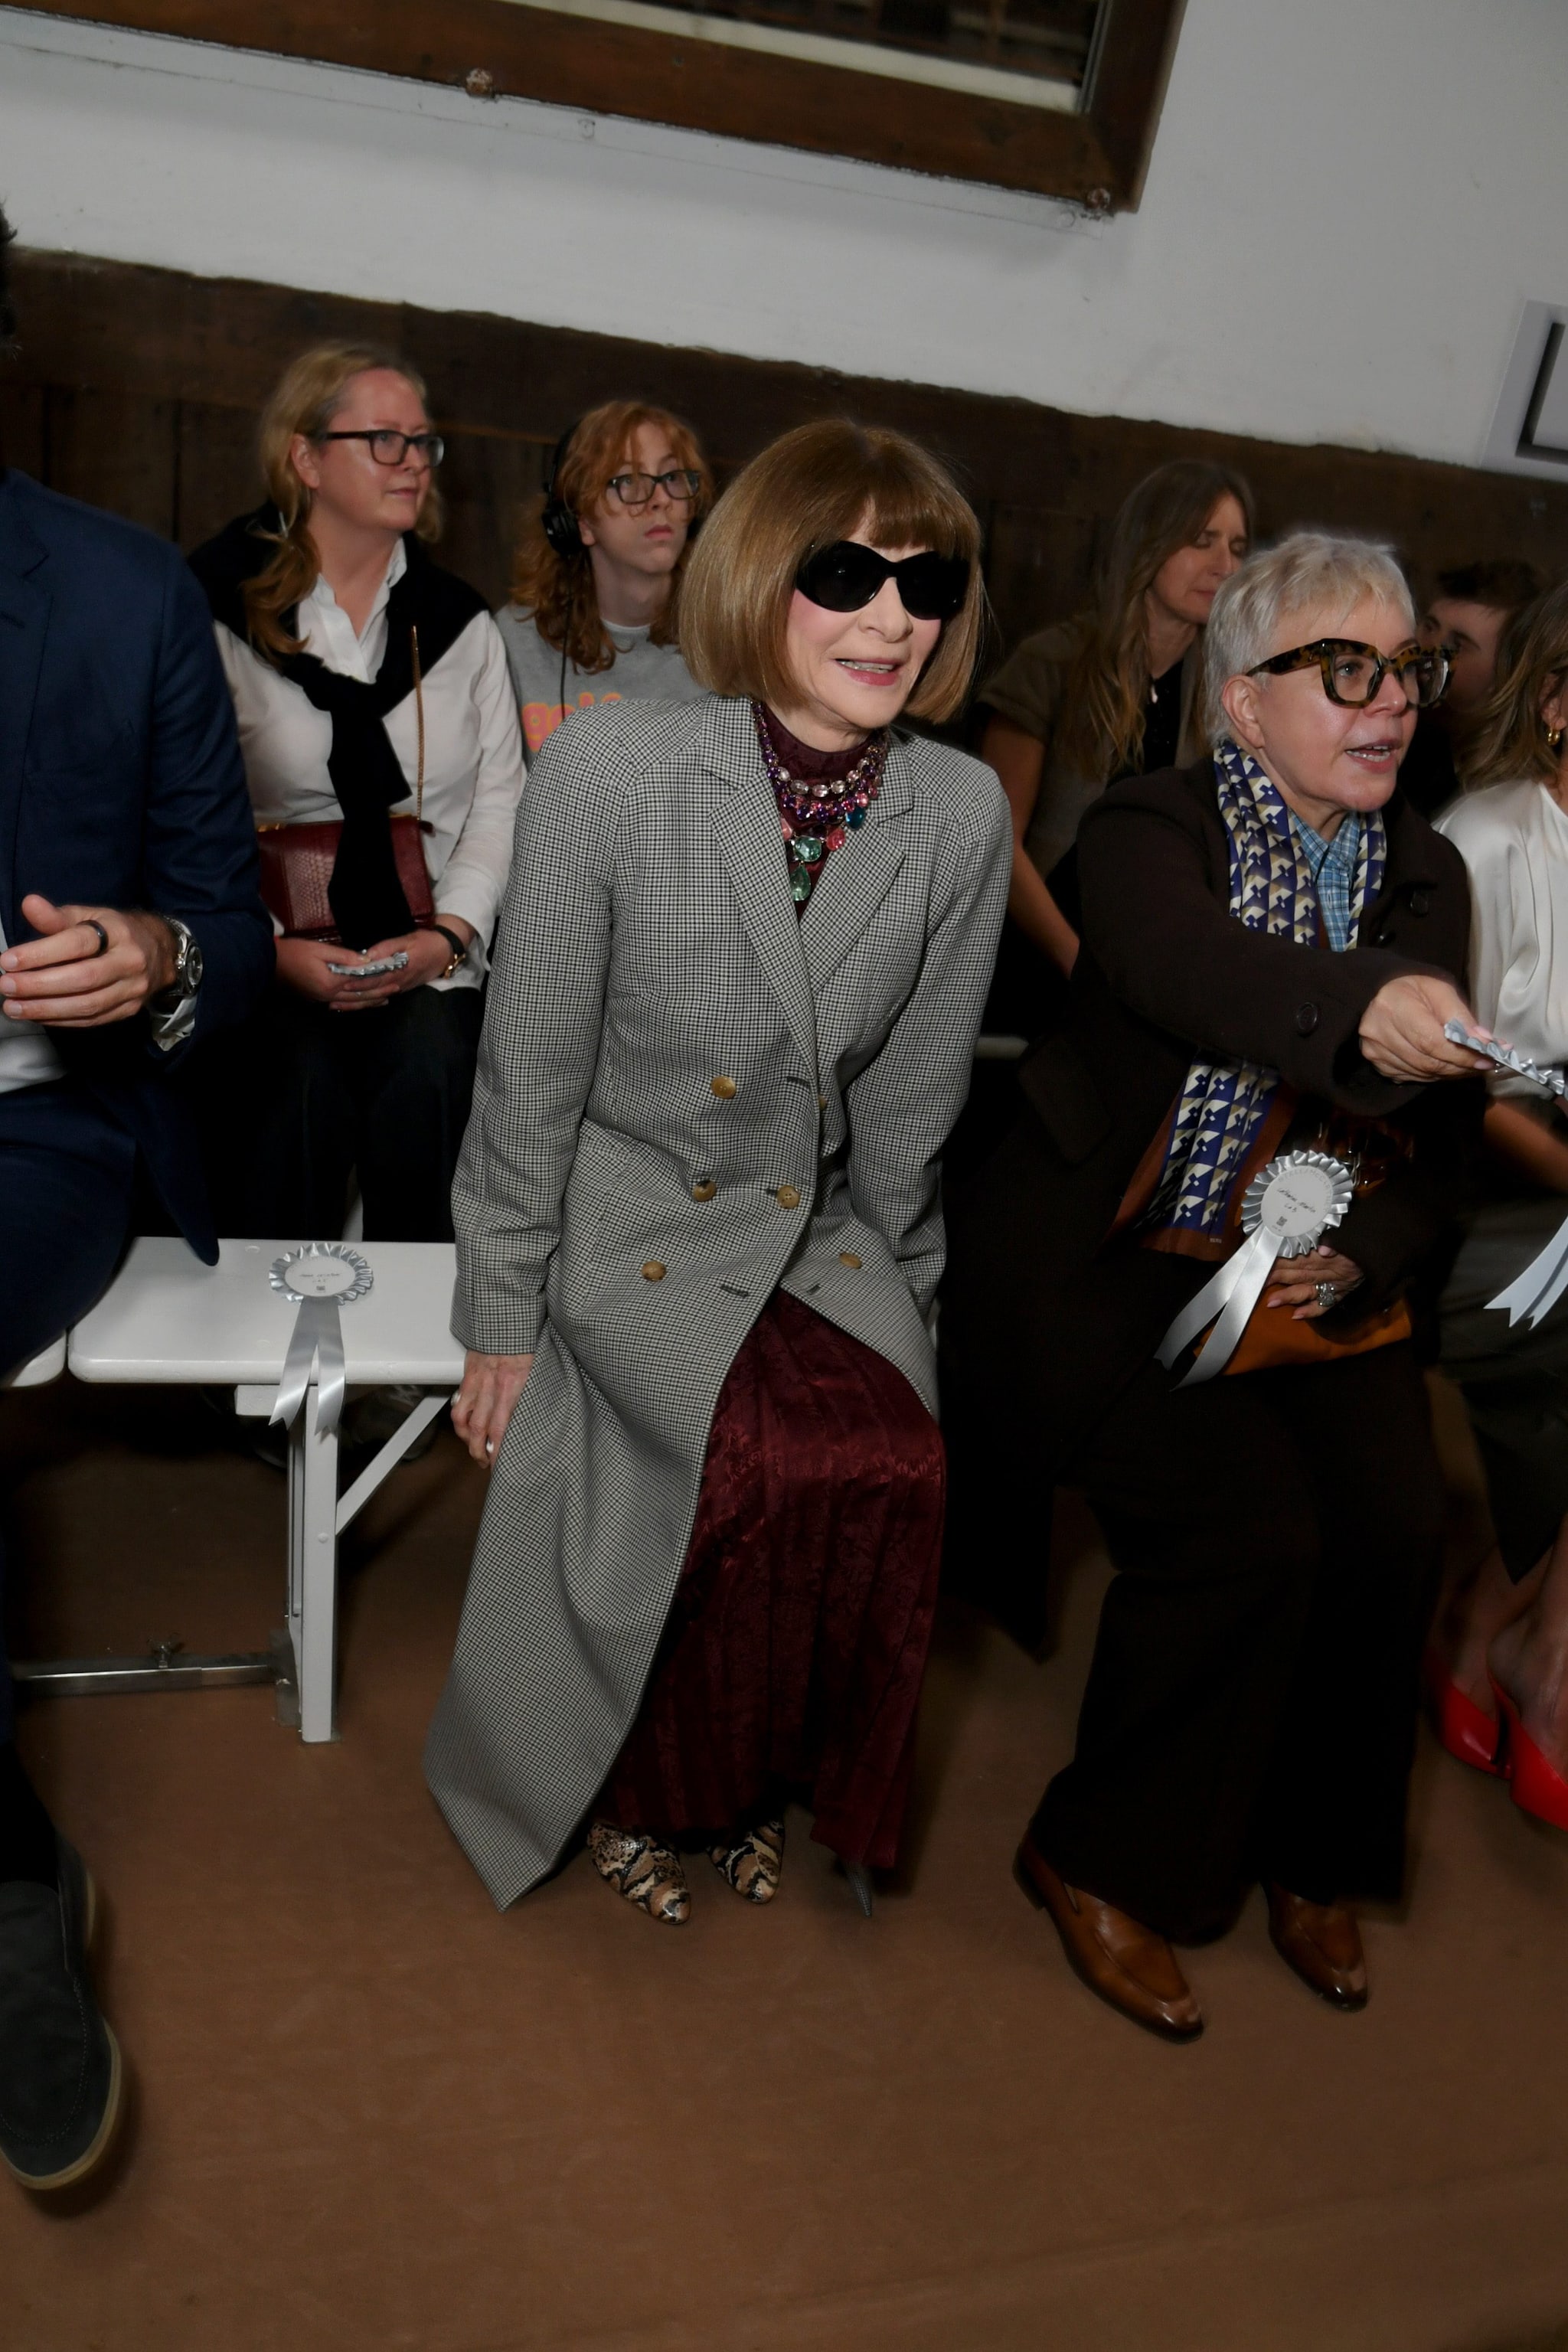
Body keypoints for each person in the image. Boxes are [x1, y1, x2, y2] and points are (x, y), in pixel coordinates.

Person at [424, 418, 1010, 1923]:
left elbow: (912, 1108)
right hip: (627, 1212)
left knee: (891, 1462)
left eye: (927, 583)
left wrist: (905, 1317)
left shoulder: (958, 813)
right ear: (757, 572)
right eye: (846, 574)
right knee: (734, 1459)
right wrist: (499, 1318)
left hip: (807, 1224)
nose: (892, 616)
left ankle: (748, 1775)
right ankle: (647, 1790)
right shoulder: (613, 766)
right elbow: (530, 1072)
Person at [939, 533, 1488, 2039]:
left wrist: (1366, 1249)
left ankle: (1310, 1852)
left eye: (1407, 669)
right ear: (1243, 701)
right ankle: (1094, 1853)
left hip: (1316, 1268)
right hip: (1107, 1256)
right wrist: (1370, 1005)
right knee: (1249, 1537)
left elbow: (1437, 1134)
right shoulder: (1147, 826)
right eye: (1346, 670)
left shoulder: (1425, 867)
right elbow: (1185, 967)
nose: (1392, 702)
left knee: (1392, 1530)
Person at [0, 206, 273, 2189]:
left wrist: (155, 956)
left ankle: (11, 1901)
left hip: (35, 1131)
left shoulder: (117, 592)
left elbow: (227, 934)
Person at [189, 342, 525, 1246]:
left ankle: (427, 1330)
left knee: (433, 1066)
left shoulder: (457, 624)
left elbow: (498, 800)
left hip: (427, 947)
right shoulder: (212, 607)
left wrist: (447, 937)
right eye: (384, 440)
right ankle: (267, 1333)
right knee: (289, 1081)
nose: (413, 461)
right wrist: (266, 953)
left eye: (423, 442)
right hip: (267, 950)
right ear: (305, 458)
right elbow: (184, 810)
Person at [1425, 580, 1568, 1828]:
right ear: (1557, 704)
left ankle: (1527, 1636)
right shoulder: (1486, 840)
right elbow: (1448, 1088)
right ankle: (1510, 1636)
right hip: (1461, 1187)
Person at [976, 459, 1253, 1033]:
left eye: (1237, 547)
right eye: (1202, 540)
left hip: (1145, 963)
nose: (1225, 566)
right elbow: (997, 843)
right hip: (1030, 952)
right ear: (1148, 544)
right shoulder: (1051, 663)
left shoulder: (1227, 693)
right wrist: (1073, 959)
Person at [497, 400, 712, 765]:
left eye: (672, 477)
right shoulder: (514, 641)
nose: (661, 500)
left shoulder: (725, 644)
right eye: (629, 482)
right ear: (579, 523)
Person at [1400, 559, 1547, 820]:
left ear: (1507, 674)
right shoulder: (1400, 737)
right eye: (1430, 627)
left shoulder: (1513, 792)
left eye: (1457, 646)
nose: (1427, 651)